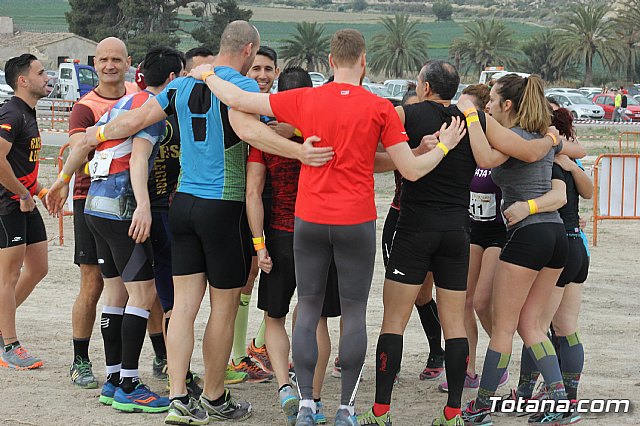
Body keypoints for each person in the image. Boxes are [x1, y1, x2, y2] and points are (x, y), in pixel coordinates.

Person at [190, 29, 468, 426]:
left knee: (307, 312)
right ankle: (347, 409)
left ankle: (306, 405)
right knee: (353, 314)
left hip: (310, 219)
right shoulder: (380, 107)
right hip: (356, 220)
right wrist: (441, 147)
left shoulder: (305, 98)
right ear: (365, 61)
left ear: (330, 60)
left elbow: (239, 100)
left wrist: (209, 75)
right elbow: (410, 169)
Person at [62, 21, 335, 425]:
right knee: (222, 309)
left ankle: (176, 398)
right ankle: (213, 395)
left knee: (184, 308)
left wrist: (95, 134)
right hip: (222, 208)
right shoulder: (237, 89)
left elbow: (132, 123)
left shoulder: (181, 84)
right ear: (248, 50)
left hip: (183, 204)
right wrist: (300, 153)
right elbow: (248, 132)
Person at [358, 63, 564, 426]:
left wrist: (409, 149)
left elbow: (362, 149)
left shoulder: (406, 113)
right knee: (456, 323)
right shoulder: (477, 121)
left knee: (393, 321)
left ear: (423, 87)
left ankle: (380, 413)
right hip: (457, 232)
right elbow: (528, 152)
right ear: (453, 90)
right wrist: (552, 137)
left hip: (413, 229)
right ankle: (452, 413)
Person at [48, 46, 185, 413]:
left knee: (115, 294)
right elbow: (139, 160)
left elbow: (84, 141)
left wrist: (62, 180)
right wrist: (143, 205)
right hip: (121, 208)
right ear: (173, 80)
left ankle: (111, 379)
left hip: (93, 206)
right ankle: (129, 383)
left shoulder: (124, 103)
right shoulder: (151, 112)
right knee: (142, 296)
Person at [459, 74, 585, 426]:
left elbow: (484, 155)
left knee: (504, 328)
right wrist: (553, 140)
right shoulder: (538, 136)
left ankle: (482, 406)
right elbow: (576, 150)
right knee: (532, 326)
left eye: (492, 100)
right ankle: (562, 404)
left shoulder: (515, 137)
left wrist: (470, 116)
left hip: (527, 236)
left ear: (507, 105)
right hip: (556, 234)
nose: (488, 104)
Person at [66, 37, 138, 389]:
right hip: (90, 201)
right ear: (94, 64)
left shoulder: (138, 97)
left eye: (116, 59)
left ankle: (148, 356)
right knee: (93, 282)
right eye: (103, 60)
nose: (110, 65)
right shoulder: (84, 106)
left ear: (129, 62)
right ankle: (80, 359)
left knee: (139, 283)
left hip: (134, 203)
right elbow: (81, 150)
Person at [513, 107, 592, 404]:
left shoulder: (544, 160)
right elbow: (584, 192)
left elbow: (564, 195)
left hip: (557, 246)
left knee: (533, 325)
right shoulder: (565, 158)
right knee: (565, 327)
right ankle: (568, 397)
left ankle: (527, 394)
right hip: (577, 246)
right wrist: (572, 165)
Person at [436, 84, 508, 394]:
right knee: (463, 301)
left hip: (499, 232)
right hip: (472, 228)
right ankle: (469, 368)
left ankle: (499, 355)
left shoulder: (499, 140)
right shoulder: (466, 141)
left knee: (481, 301)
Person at [379, 89, 445, 383]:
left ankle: (437, 352)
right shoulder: (398, 137)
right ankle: (390, 362)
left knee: (422, 294)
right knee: (396, 297)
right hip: (400, 217)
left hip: (436, 222)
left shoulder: (446, 136)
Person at [229, 45, 280, 383]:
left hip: (274, 203)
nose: (262, 75)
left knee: (278, 276)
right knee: (245, 278)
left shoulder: (278, 110)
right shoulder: (236, 108)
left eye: (268, 69)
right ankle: (236, 357)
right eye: (256, 69)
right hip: (241, 202)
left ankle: (260, 345)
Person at [0, 54, 49, 369]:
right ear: (23, 80)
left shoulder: (28, 113)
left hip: (25, 200)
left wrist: (41, 191)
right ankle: (9, 345)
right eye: (41, 72)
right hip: (7, 203)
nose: (48, 78)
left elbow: (21, 164)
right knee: (8, 275)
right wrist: (23, 194)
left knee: (39, 267)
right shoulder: (10, 112)